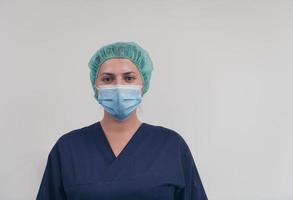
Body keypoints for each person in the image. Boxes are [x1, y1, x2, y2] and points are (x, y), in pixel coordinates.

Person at [36, 41, 208, 200]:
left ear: (143, 84)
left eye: (129, 78)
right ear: (96, 86)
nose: (118, 86)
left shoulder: (171, 146)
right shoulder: (68, 149)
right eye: (108, 79)